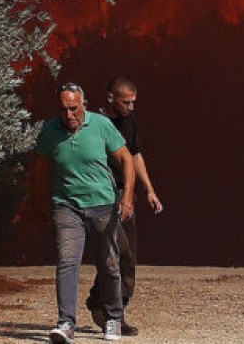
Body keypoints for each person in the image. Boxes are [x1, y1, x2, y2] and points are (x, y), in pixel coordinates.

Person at [34, 83, 135, 343]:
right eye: (64, 110)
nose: (69, 115)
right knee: (67, 262)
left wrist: (126, 197)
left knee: (109, 263)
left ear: (84, 105)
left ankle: (113, 318)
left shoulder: (100, 125)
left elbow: (126, 159)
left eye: (74, 108)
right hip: (66, 206)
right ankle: (66, 323)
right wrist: (37, 202)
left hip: (102, 204)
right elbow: (39, 168)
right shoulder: (50, 131)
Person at [86, 76, 164, 337]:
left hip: (125, 195)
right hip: (102, 197)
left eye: (133, 102)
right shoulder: (94, 123)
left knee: (128, 258)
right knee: (118, 254)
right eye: (126, 102)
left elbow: (135, 155)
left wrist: (149, 189)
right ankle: (109, 312)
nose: (131, 107)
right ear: (111, 98)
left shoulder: (129, 123)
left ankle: (108, 306)